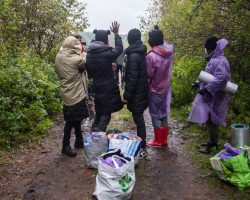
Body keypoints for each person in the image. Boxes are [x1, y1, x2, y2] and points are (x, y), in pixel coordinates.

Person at [188, 36, 231, 154]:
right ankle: (212, 141)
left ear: (210, 49)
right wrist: (198, 83)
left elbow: (221, 78)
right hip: (212, 95)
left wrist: (207, 89)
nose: (205, 51)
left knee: (212, 120)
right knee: (210, 119)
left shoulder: (219, 60)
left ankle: (212, 144)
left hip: (216, 96)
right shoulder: (216, 59)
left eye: (206, 49)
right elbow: (209, 76)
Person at [86, 21, 124, 132]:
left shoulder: (89, 54)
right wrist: (116, 34)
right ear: (105, 40)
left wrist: (107, 65)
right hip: (107, 87)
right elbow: (119, 49)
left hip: (96, 86)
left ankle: (94, 135)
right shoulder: (106, 52)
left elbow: (91, 73)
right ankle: (98, 138)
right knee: (106, 114)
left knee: (100, 111)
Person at [55, 36, 89, 157]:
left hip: (66, 91)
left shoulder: (59, 57)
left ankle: (79, 141)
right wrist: (83, 52)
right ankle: (65, 146)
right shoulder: (77, 59)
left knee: (76, 118)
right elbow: (85, 62)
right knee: (70, 121)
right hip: (76, 93)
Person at [146, 25, 174, 147]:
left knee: (155, 114)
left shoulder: (151, 56)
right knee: (164, 113)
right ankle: (164, 140)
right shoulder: (168, 54)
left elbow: (149, 74)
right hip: (165, 88)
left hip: (154, 89)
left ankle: (158, 140)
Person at [122, 29, 148, 157]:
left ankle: (142, 147)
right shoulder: (141, 52)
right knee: (139, 119)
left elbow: (132, 79)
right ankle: (142, 145)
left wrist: (126, 96)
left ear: (130, 39)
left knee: (139, 121)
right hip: (142, 91)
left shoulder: (133, 56)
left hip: (137, 93)